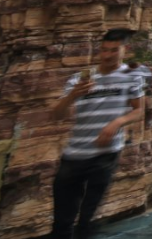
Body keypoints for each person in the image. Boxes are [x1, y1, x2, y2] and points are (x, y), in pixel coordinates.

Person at [50, 28, 144, 239]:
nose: (107, 55)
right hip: (74, 155)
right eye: (103, 50)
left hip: (105, 155)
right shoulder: (78, 80)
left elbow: (139, 110)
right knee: (62, 220)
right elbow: (56, 115)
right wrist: (73, 95)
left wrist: (117, 122)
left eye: (113, 50)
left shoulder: (132, 78)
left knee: (87, 219)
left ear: (125, 50)